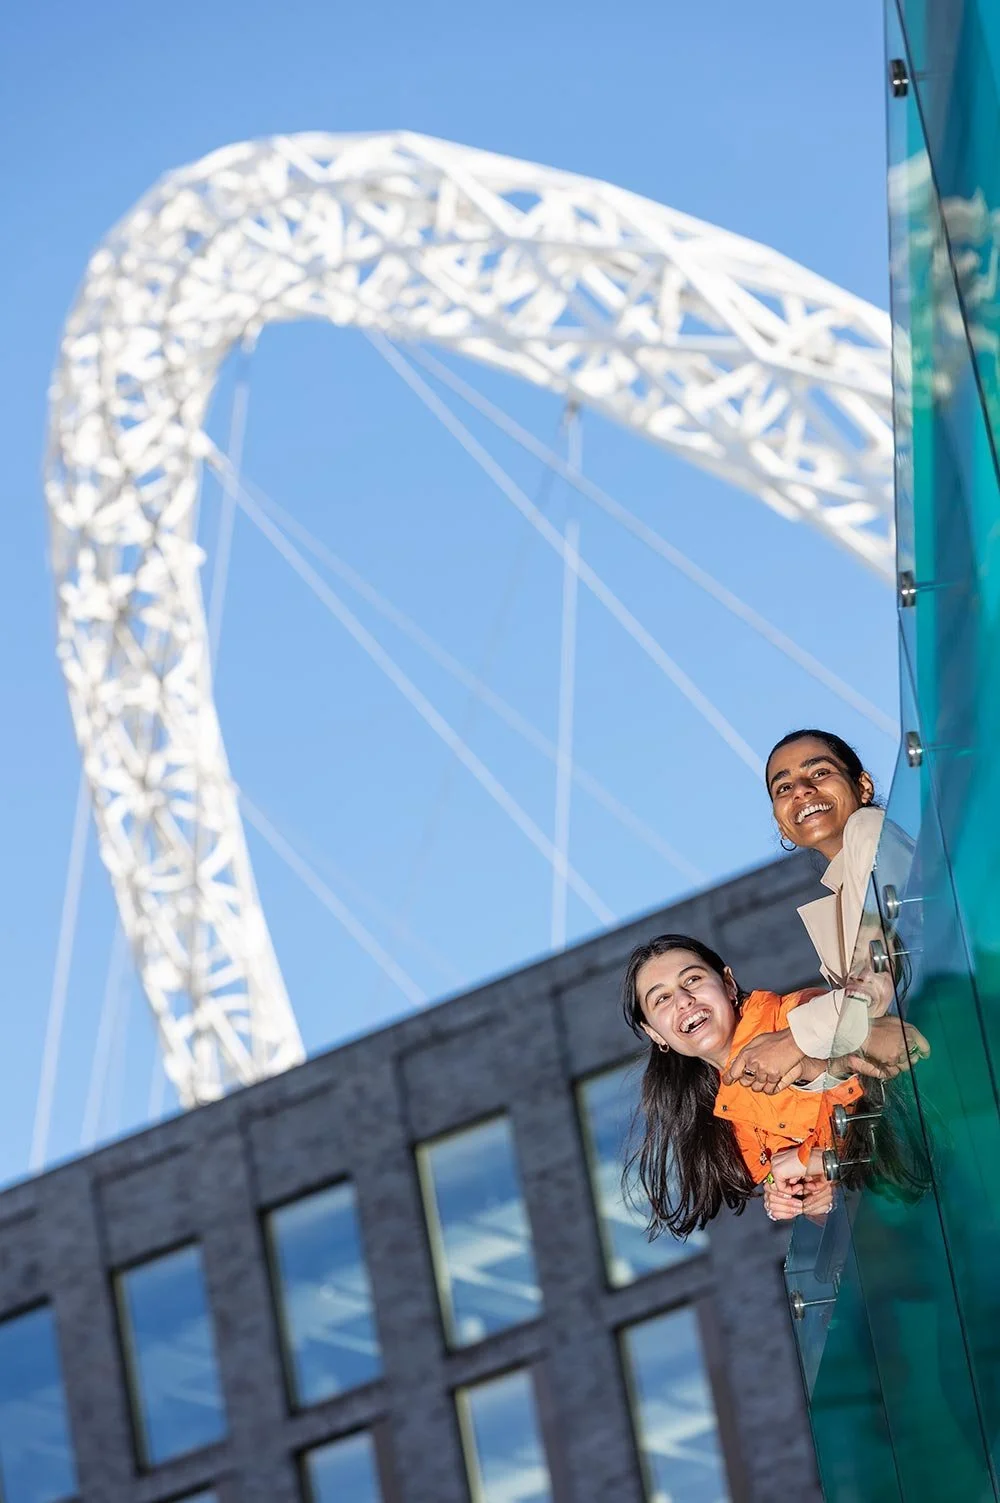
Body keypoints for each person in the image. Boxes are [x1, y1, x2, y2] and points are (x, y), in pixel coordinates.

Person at [722, 729, 929, 1107]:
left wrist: (792, 1039)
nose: (800, 790)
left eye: (818, 773)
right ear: (782, 824)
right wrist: (811, 1064)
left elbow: (875, 986)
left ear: (862, 786)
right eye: (782, 788)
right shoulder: (840, 893)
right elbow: (871, 1027)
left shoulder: (872, 830)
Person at [622, 933, 863, 1234]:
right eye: (662, 998)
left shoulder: (796, 1016)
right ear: (655, 1034)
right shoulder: (720, 1120)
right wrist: (803, 1198)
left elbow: (867, 1054)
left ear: (728, 985)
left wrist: (818, 1162)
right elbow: (839, 1192)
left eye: (693, 980)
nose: (683, 1000)